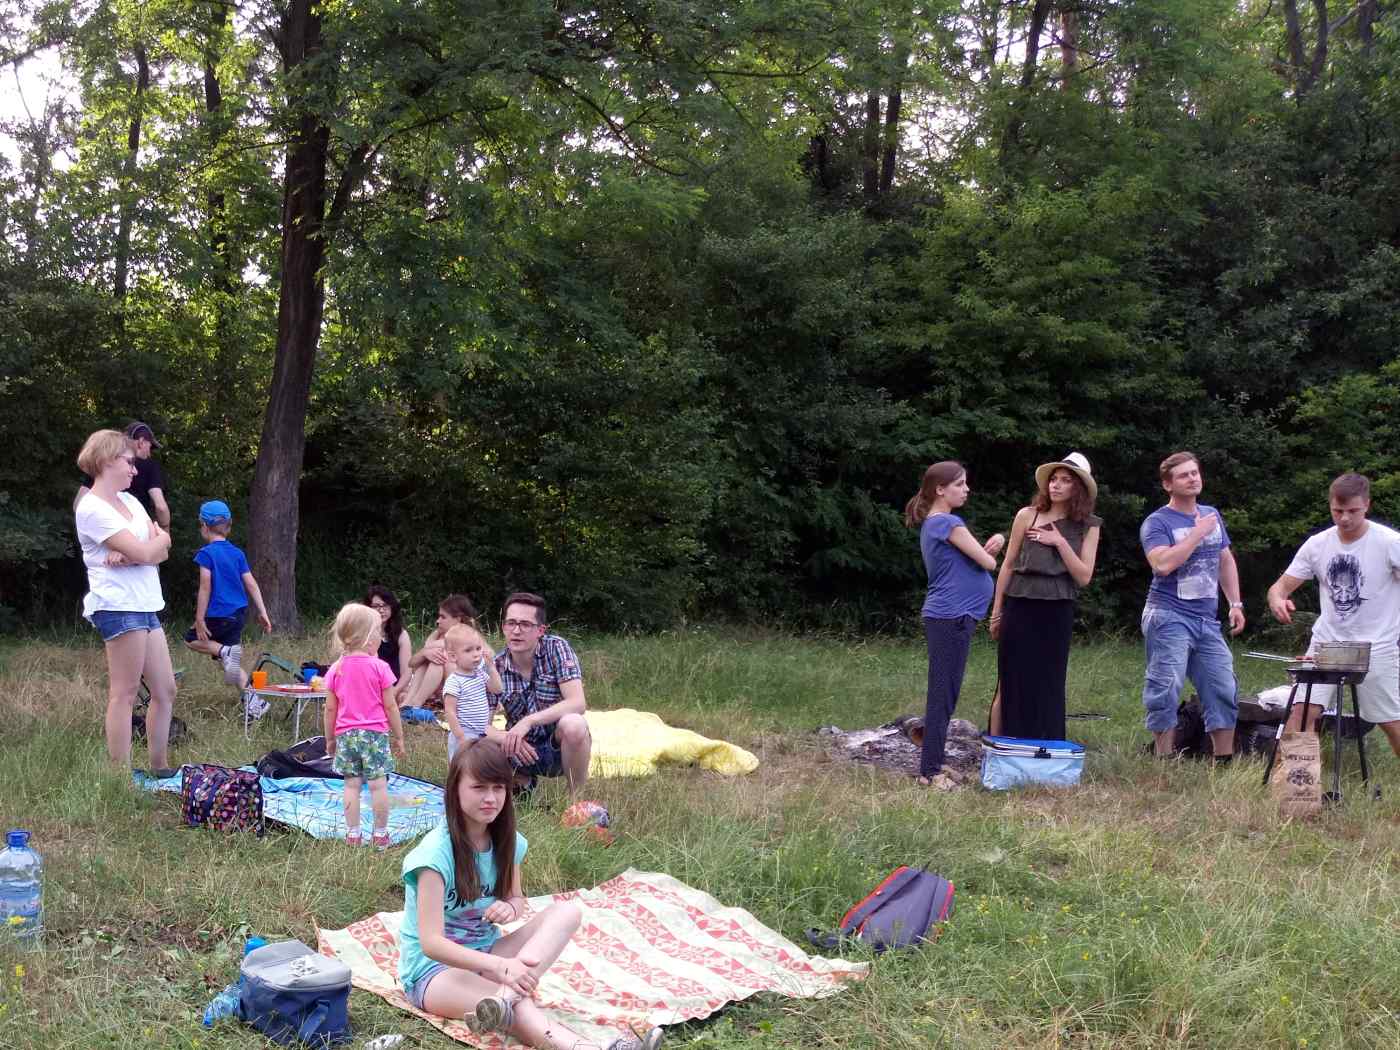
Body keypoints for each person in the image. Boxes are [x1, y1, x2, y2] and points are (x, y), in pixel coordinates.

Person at [398, 739, 664, 1050]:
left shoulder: (507, 841)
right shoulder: (434, 856)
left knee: (568, 912)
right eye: (479, 788)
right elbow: (431, 943)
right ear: (455, 790)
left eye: (499, 788)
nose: (490, 798)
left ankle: (502, 999)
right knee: (521, 1006)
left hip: (488, 953)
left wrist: (510, 909)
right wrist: (501, 968)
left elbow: (517, 898)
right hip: (433, 973)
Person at [1266, 473, 1400, 757]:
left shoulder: (1390, 543)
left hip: (1376, 646)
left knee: (1390, 721)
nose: (1345, 518)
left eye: (1353, 511)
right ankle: (1295, 783)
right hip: (1326, 645)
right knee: (1302, 713)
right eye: (1338, 511)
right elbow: (1280, 587)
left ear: (1367, 505)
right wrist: (1278, 600)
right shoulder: (1318, 544)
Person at [73, 429, 177, 773]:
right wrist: (149, 548)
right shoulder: (91, 508)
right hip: (118, 606)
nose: (135, 470)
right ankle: (121, 778)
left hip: (146, 604)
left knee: (165, 690)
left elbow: (161, 548)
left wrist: (143, 551)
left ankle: (159, 768)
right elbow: (149, 550)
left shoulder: (131, 502)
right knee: (125, 693)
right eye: (129, 462)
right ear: (106, 461)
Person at [904, 462, 1005, 789]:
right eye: (960, 484)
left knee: (946, 692)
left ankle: (934, 761)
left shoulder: (936, 525)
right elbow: (988, 562)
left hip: (951, 617)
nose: (966, 489)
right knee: (942, 694)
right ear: (940, 490)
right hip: (950, 616)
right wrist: (994, 548)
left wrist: (987, 550)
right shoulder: (947, 522)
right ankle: (929, 771)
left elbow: (969, 562)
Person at [1140, 451, 1246, 760]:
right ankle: (1163, 759)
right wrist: (1197, 533)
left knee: (1222, 686)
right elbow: (1162, 564)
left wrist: (1235, 603)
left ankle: (1223, 760)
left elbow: (1224, 560)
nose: (1192, 478)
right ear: (1168, 484)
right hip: (1167, 615)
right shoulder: (1157, 522)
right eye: (1183, 475)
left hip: (1206, 619)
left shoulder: (1211, 514)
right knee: (1165, 687)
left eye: (1195, 473)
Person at [988, 453, 1102, 739]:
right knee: (1009, 679)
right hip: (1019, 604)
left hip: (1056, 609)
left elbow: (1084, 576)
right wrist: (997, 610)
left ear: (1079, 488)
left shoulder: (1089, 525)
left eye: (1065, 480)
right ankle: (999, 747)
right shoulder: (1027, 515)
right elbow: (1008, 564)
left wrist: (1059, 542)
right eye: (1053, 479)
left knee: (1048, 680)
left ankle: (1042, 748)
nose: (1056, 485)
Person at [488, 593, 592, 797]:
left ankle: (576, 800)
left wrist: (528, 721)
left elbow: (578, 702)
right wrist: (506, 737)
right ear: (503, 627)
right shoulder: (494, 667)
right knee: (473, 742)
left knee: (574, 724)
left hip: (557, 748)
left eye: (525, 624)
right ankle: (521, 783)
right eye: (511, 623)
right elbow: (480, 725)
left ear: (540, 630)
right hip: (517, 750)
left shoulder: (556, 648)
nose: (516, 631)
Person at [323, 603, 406, 849]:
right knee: (378, 785)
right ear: (369, 638)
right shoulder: (380, 667)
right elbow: (391, 706)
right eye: (378, 632)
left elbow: (330, 709)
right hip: (374, 735)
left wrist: (330, 739)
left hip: (346, 735)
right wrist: (399, 736)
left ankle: (353, 834)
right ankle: (379, 834)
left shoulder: (336, 669)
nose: (381, 637)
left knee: (351, 785)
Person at [182, 500, 273, 700]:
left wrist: (199, 619)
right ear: (229, 527)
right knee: (229, 664)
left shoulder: (206, 553)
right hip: (237, 615)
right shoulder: (237, 553)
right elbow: (251, 584)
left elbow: (205, 586)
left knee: (191, 640)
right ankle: (254, 703)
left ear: (204, 526)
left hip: (218, 613)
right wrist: (263, 611)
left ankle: (224, 650)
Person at [75, 421, 170, 529]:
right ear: (141, 441)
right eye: (150, 446)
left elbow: (78, 503)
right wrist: (165, 529)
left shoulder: (104, 464)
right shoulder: (151, 466)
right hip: (138, 531)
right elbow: (161, 506)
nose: (150, 453)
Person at [399, 594, 479, 709]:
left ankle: (415, 703)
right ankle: (407, 703)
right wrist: (425, 653)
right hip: (441, 691)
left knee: (438, 660)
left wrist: (427, 650)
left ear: (458, 620)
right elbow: (412, 663)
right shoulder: (438, 635)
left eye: (443, 617)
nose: (438, 621)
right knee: (427, 660)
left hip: (461, 694)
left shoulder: (465, 636)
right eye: (439, 616)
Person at [444, 622, 504, 761]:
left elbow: (497, 689)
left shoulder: (480, 674)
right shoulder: (454, 681)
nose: (476, 654)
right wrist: (460, 737)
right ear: (453, 657)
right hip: (464, 733)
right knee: (461, 765)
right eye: (468, 650)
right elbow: (450, 711)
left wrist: (491, 668)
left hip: (482, 732)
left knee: (477, 766)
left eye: (478, 648)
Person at [366, 584, 413, 697]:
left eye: (386, 605)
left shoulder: (401, 634)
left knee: (403, 697)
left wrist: (394, 692)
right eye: (376, 606)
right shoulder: (362, 633)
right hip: (368, 686)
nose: (381, 610)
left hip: (395, 685)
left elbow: (406, 673)